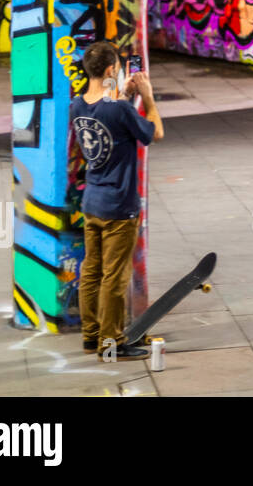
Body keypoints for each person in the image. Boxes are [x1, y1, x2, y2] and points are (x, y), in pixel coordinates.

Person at [71, 41, 164, 360]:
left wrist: (124, 94)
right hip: (119, 206)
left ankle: (91, 335)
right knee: (115, 276)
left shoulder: (77, 105)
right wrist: (147, 97)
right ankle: (111, 342)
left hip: (92, 203)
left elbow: (107, 119)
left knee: (91, 271)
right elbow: (154, 133)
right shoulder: (121, 109)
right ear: (111, 69)